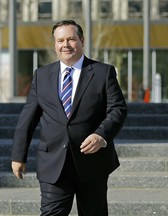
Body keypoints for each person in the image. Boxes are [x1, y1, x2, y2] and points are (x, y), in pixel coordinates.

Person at [11, 19, 127, 216]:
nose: (65, 45)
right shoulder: (42, 75)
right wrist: (18, 156)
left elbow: (118, 109)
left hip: (92, 163)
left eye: (71, 39)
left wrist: (101, 136)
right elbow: (28, 119)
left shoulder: (103, 72)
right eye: (60, 40)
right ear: (55, 44)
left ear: (82, 41)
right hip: (53, 164)